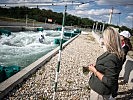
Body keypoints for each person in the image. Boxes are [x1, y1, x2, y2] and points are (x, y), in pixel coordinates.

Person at [87, 27, 125, 100]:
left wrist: (95, 71)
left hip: (100, 93)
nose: (102, 40)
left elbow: (109, 81)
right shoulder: (114, 53)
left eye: (103, 37)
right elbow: (107, 68)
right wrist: (97, 65)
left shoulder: (112, 57)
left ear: (109, 40)